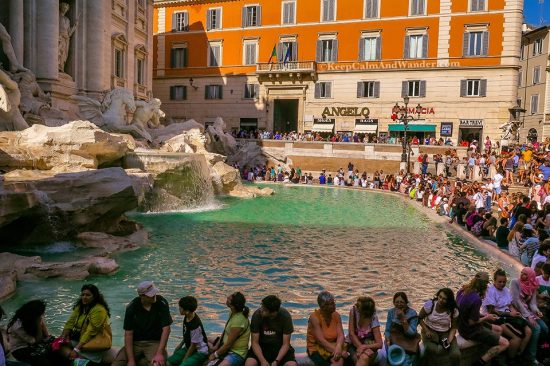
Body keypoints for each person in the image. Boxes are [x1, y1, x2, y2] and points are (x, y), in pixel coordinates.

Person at [112, 281, 173, 366]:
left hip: (154, 342)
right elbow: (128, 334)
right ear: (142, 296)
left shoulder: (161, 303)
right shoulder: (132, 307)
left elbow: (166, 329)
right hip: (135, 342)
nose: (154, 296)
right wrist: (131, 360)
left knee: (157, 364)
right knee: (117, 364)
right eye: (151, 295)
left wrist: (160, 352)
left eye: (154, 292)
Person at [456, 272, 509, 366]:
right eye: (486, 284)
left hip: (461, 325)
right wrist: (486, 317)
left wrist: (481, 315)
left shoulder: (462, 290)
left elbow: (466, 313)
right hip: (469, 330)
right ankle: (479, 363)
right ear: (483, 285)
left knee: (498, 329)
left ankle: (488, 358)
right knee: (505, 343)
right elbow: (472, 322)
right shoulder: (476, 299)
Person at [482, 269, 531, 360]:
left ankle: (520, 354)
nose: (502, 284)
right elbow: (492, 311)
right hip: (498, 318)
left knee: (528, 330)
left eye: (504, 282)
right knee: (517, 337)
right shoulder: (490, 291)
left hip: (508, 316)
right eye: (499, 282)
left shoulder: (505, 290)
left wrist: (513, 311)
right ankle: (510, 359)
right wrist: (509, 314)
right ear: (494, 281)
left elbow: (510, 305)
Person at [60, 284, 112, 365]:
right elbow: (70, 322)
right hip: (80, 338)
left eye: (88, 295)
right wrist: (63, 336)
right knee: (57, 345)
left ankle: (81, 361)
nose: (84, 297)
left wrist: (76, 349)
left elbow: (90, 332)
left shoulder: (99, 310)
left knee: (64, 350)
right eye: (83, 294)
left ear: (94, 297)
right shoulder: (80, 306)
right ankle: (78, 360)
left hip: (93, 342)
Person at [511, 267, 548, 364]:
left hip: (528, 311)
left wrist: (537, 311)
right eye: (522, 273)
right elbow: (516, 301)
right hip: (518, 311)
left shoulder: (533, 285)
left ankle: (539, 352)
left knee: (545, 328)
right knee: (537, 328)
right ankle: (530, 357)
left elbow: (532, 303)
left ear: (531, 276)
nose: (522, 275)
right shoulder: (515, 282)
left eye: (525, 274)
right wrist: (528, 316)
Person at [245, 295, 296, 366]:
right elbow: (254, 343)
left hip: (279, 347)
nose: (261, 310)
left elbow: (286, 344)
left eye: (264, 309)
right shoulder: (257, 315)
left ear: (272, 312)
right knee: (249, 363)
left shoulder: (285, 316)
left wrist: (277, 361)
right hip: (261, 346)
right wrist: (262, 360)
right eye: (262, 306)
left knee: (291, 365)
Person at [7, 300, 57, 366]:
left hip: (33, 344)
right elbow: (34, 341)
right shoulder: (18, 326)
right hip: (20, 349)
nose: (43, 315)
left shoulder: (36, 318)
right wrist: (38, 325)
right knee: (43, 361)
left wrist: (42, 324)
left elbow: (46, 335)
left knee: (57, 348)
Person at [418, 288, 460, 366]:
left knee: (456, 354)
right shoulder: (430, 305)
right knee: (433, 350)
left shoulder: (453, 310)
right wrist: (426, 330)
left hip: (445, 332)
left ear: (449, 300)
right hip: (430, 331)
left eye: (444, 299)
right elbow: (419, 318)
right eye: (440, 297)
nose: (441, 300)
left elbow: (454, 327)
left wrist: (449, 341)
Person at [209, 292, 251, 366]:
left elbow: (229, 344)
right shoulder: (232, 312)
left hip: (236, 353)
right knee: (207, 339)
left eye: (229, 298)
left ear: (233, 306)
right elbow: (225, 331)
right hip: (225, 345)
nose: (227, 296)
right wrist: (217, 345)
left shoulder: (238, 320)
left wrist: (215, 354)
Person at [306, 291, 346, 366]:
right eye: (329, 304)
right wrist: (337, 350)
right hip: (316, 348)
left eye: (333, 303)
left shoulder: (336, 315)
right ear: (322, 306)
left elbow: (341, 335)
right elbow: (321, 341)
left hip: (333, 345)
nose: (333, 306)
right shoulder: (314, 318)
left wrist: (338, 347)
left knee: (341, 361)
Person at [167, 296, 209, 366]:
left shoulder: (195, 326)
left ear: (187, 311)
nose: (179, 308)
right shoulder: (187, 316)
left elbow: (193, 345)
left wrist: (185, 359)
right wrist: (179, 346)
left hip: (199, 351)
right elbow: (187, 334)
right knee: (168, 362)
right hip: (188, 347)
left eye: (180, 307)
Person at [384, 292, 420, 366]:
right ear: (394, 303)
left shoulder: (412, 313)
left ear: (406, 303)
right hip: (394, 340)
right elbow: (387, 330)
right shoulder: (391, 312)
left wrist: (403, 319)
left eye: (401, 302)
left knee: (405, 361)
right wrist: (388, 341)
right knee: (393, 358)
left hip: (408, 341)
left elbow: (412, 334)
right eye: (397, 302)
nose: (399, 304)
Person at [346, 297, 382, 366]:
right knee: (360, 358)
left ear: (364, 311)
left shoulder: (373, 318)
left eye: (358, 305)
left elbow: (379, 344)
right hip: (354, 346)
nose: (355, 306)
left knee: (363, 358)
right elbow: (351, 334)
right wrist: (361, 347)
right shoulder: (353, 311)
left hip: (369, 347)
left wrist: (365, 347)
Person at [58, 2, 79, 72]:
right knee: (58, 52)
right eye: (63, 7)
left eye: (66, 8)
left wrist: (75, 26)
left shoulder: (67, 20)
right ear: (60, 7)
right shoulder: (57, 16)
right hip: (59, 37)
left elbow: (69, 33)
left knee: (63, 54)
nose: (65, 9)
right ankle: (57, 66)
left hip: (66, 39)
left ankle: (61, 67)